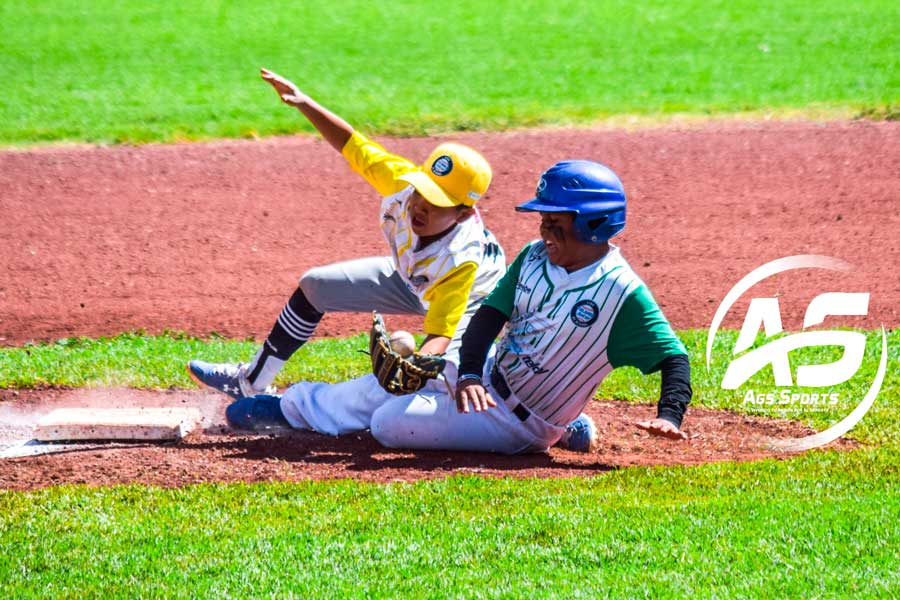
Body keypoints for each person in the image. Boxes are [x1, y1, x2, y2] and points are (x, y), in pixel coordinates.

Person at [226, 160, 692, 452]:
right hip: (486, 374)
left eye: (556, 222)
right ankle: (293, 408)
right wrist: (467, 372)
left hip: (516, 424)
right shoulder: (532, 258)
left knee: (389, 423)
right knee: (404, 378)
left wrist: (668, 416)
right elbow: (489, 318)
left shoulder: (622, 295)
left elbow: (674, 359)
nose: (544, 230)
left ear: (594, 224)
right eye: (543, 220)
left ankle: (560, 428)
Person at [188, 68, 505, 403]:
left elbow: (441, 331)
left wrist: (414, 363)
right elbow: (353, 144)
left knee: (440, 382)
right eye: (422, 193)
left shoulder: (461, 260)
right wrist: (304, 102)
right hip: (414, 278)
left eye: (437, 204)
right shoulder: (402, 183)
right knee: (316, 285)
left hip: (471, 304)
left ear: (464, 213)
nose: (420, 207)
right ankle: (250, 383)